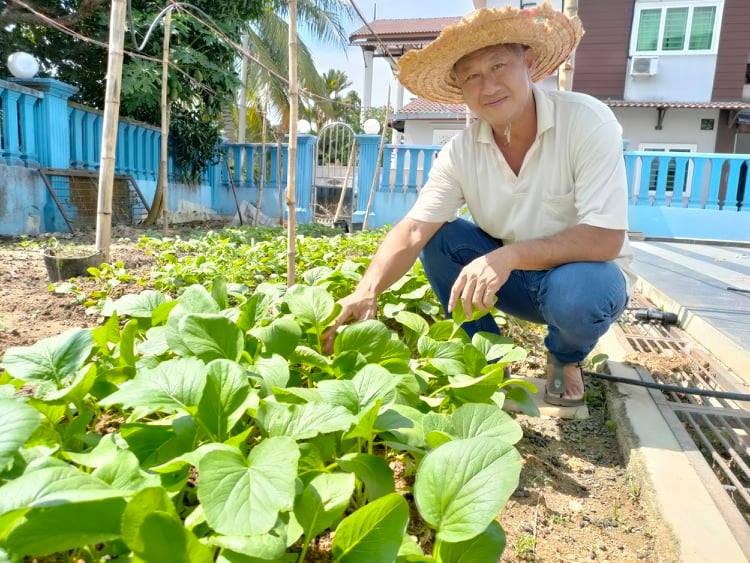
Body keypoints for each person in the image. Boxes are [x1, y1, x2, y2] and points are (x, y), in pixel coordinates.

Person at [325, 2, 634, 407]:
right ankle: (489, 356)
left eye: (499, 66)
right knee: (439, 238)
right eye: (471, 76)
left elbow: (605, 239)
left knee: (581, 294)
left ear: (529, 61)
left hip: (581, 282)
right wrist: (366, 290)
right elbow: (415, 229)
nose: (487, 87)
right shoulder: (460, 152)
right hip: (515, 283)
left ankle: (564, 357)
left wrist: (507, 257)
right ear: (459, 90)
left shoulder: (587, 122)